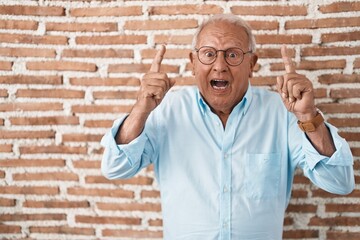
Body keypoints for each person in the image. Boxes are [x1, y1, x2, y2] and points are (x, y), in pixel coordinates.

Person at [101, 14, 354, 240]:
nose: (220, 65)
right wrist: (140, 110)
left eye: (232, 54)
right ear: (193, 62)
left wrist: (309, 116)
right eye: (209, 54)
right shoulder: (166, 110)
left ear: (252, 64)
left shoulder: (283, 113)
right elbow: (115, 167)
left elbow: (339, 182)